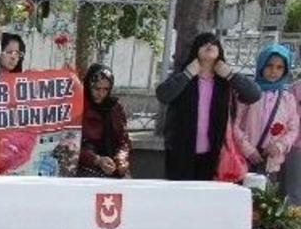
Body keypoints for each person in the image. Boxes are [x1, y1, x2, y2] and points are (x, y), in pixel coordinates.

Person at [156, 32, 261, 181]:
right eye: (204, 43)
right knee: (181, 198)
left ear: (219, 51)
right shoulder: (184, 77)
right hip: (182, 152)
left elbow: (254, 95)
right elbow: (163, 95)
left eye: (213, 43)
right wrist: (188, 74)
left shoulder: (225, 82)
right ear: (195, 50)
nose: (209, 45)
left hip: (215, 154)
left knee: (207, 199)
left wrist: (230, 75)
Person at [232, 43, 299, 183]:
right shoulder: (248, 93)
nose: (273, 71)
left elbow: (293, 128)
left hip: (270, 162)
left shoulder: (287, 98)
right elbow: (234, 124)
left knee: (265, 201)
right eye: (269, 65)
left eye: (279, 67)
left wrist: (279, 146)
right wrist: (249, 150)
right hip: (243, 160)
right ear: (261, 65)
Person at [77, 64, 131, 178]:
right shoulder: (78, 106)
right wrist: (97, 160)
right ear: (88, 86)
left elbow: (123, 141)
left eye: (105, 89)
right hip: (84, 165)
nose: (101, 94)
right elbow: (70, 144)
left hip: (112, 164)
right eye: (97, 88)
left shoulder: (114, 107)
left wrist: (121, 160)